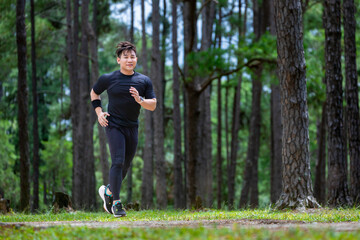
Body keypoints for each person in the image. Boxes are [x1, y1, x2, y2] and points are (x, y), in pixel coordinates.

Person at [90, 41, 156, 217]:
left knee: (125, 166)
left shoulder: (144, 81)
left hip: (132, 127)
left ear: (136, 59)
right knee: (117, 161)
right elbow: (94, 93)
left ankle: (108, 191)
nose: (129, 60)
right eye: (125, 57)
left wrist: (140, 100)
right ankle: (116, 204)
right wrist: (99, 113)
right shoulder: (108, 78)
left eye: (132, 57)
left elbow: (153, 105)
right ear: (118, 60)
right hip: (114, 125)